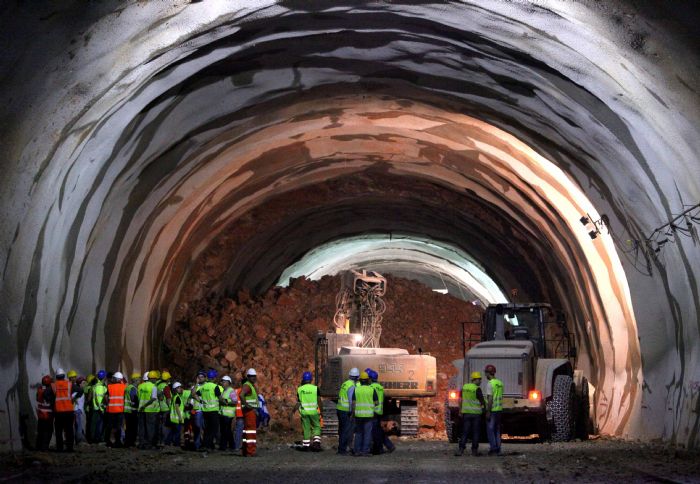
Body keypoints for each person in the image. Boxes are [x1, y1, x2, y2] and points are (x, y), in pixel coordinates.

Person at [455, 371, 486, 456]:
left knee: (465, 432)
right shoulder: (477, 389)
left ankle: (461, 450)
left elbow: (460, 400)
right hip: (476, 414)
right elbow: (482, 402)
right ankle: (474, 451)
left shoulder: (464, 387)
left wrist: (460, 410)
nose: (480, 381)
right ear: (475, 380)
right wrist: (484, 410)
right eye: (479, 379)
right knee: (475, 432)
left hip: (466, 414)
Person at [49, 368, 78, 452]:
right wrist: (73, 397)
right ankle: (70, 448)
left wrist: (52, 401)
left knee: (58, 431)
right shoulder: (70, 384)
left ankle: (59, 448)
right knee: (69, 430)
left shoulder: (53, 385)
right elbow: (80, 390)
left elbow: (46, 394)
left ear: (56, 376)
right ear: (64, 376)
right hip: (69, 411)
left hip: (58, 412)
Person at [294, 371, 322, 451]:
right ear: (311, 379)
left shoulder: (300, 389)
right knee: (317, 426)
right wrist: (321, 411)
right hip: (314, 412)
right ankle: (316, 442)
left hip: (304, 413)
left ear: (303, 379)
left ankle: (306, 445)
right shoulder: (315, 388)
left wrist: (293, 410)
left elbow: (298, 402)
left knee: (306, 428)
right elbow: (319, 401)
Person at [352, 371, 378, 457]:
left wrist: (353, 413)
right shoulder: (372, 390)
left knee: (358, 433)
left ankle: (357, 451)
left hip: (358, 415)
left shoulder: (356, 389)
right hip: (369, 415)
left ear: (360, 380)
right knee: (367, 433)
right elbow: (377, 402)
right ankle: (365, 451)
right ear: (368, 380)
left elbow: (353, 403)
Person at [369, 370, 394, 454]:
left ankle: (378, 449)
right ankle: (389, 446)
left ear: (370, 378)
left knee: (375, 432)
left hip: (372, 412)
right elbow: (383, 399)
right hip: (379, 411)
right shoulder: (380, 387)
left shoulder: (371, 387)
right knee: (378, 430)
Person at [336, 367, 359, 455]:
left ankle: (340, 448)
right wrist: (351, 410)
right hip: (345, 410)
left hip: (339, 409)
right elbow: (350, 399)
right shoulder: (352, 386)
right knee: (346, 430)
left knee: (341, 430)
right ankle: (342, 450)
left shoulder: (344, 383)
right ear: (357, 377)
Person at [199, 369, 221, 450]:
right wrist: (225, 401)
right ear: (214, 378)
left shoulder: (203, 386)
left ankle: (206, 445)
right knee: (214, 429)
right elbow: (220, 398)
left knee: (207, 429)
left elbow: (194, 394)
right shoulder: (215, 387)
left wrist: (200, 401)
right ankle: (207, 445)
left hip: (205, 411)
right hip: (213, 411)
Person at [137, 370, 160, 449]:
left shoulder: (140, 386)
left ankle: (141, 443)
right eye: (155, 378)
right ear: (152, 378)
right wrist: (145, 405)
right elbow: (153, 398)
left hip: (141, 410)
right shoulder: (154, 387)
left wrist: (142, 406)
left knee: (142, 428)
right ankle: (149, 444)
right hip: (150, 410)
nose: (156, 380)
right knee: (150, 428)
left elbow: (138, 397)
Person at [484, 364, 504, 456]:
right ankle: (498, 449)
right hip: (499, 410)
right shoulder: (500, 383)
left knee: (490, 430)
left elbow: (490, 398)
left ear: (488, 373)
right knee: (497, 430)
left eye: (485, 373)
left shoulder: (490, 384)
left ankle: (493, 449)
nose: (485, 375)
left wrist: (488, 411)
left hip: (492, 410)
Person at [239, 368, 259, 457]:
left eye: (254, 376)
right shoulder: (247, 386)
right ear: (248, 377)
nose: (254, 378)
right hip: (249, 411)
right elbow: (241, 395)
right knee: (251, 431)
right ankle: (250, 451)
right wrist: (246, 405)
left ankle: (245, 450)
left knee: (247, 431)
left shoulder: (250, 385)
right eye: (251, 376)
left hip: (250, 411)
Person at [104, 372, 126, 447]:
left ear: (115, 379)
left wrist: (108, 404)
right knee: (118, 427)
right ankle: (118, 442)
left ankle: (109, 442)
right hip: (120, 410)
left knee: (110, 426)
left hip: (111, 410)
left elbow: (106, 398)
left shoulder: (109, 386)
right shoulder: (124, 387)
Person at [35, 375, 54, 451]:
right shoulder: (50, 390)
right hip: (48, 415)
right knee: (48, 431)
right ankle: (45, 447)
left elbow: (37, 399)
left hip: (40, 415)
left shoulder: (39, 390)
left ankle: (38, 447)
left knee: (40, 431)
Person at [190, 370, 207, 450]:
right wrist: (196, 384)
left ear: (205, 378)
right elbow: (193, 394)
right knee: (197, 427)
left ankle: (205, 444)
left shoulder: (207, 386)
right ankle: (197, 445)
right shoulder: (194, 386)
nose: (200, 378)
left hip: (207, 409)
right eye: (199, 377)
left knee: (205, 428)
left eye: (202, 377)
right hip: (198, 410)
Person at [89, 370, 107, 443]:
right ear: (104, 377)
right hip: (100, 409)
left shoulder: (94, 386)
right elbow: (102, 399)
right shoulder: (102, 387)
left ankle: (93, 439)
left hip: (95, 408)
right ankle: (98, 438)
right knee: (100, 424)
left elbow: (90, 398)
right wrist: (101, 409)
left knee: (94, 424)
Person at [165, 382, 185, 446]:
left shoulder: (174, 397)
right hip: (177, 419)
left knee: (172, 431)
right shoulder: (177, 397)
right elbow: (177, 407)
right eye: (178, 388)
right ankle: (176, 444)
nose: (180, 389)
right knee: (177, 432)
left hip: (173, 418)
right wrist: (180, 417)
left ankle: (167, 443)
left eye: (180, 387)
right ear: (175, 389)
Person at [123, 373, 140, 447]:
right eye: (139, 379)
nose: (139, 380)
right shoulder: (133, 388)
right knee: (133, 428)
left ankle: (127, 442)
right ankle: (131, 442)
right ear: (136, 380)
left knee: (128, 428)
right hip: (132, 411)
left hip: (127, 410)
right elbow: (133, 399)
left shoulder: (127, 387)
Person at [72, 376, 86, 446]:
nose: (84, 384)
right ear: (79, 384)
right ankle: (79, 440)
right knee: (79, 426)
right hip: (77, 410)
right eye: (83, 383)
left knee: (76, 426)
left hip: (76, 410)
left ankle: (76, 439)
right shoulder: (78, 391)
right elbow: (73, 398)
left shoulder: (77, 391)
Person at [83, 374, 96, 443]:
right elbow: (89, 399)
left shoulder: (85, 387)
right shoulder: (91, 387)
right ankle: (90, 437)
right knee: (91, 423)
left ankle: (88, 437)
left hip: (86, 408)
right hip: (90, 407)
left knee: (88, 423)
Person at [233, 378, 244, 450]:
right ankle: (243, 445)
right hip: (244, 413)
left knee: (238, 431)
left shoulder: (235, 391)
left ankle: (237, 446)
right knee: (245, 431)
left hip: (238, 413)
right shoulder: (247, 391)